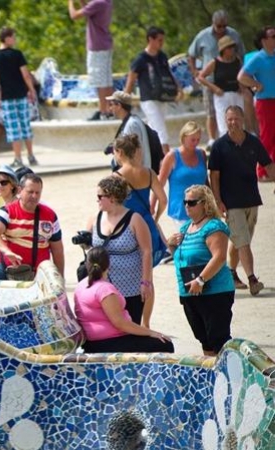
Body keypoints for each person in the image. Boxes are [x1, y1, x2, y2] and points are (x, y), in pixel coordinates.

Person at [208, 105, 275, 296]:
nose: (233, 122)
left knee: (239, 241)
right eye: (229, 119)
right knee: (243, 242)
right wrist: (218, 200)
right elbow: (214, 176)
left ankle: (230, 274)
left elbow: (268, 164)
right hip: (231, 203)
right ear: (225, 120)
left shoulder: (253, 142)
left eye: (236, 118)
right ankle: (253, 279)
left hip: (252, 200)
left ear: (243, 119)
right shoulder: (219, 146)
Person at [166, 185, 235, 356]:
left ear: (205, 204)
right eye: (185, 202)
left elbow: (219, 257)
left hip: (214, 292)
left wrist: (200, 280)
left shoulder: (214, 227)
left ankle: (226, 378)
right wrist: (171, 245)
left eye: (191, 202)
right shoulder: (185, 229)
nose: (187, 206)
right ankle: (212, 378)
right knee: (203, 338)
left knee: (218, 339)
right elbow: (180, 259)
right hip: (189, 293)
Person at [74, 247, 174, 353]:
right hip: (108, 342)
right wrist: (151, 332)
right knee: (165, 344)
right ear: (108, 265)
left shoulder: (81, 285)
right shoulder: (104, 289)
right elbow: (120, 323)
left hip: (93, 341)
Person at [86, 176, 153, 326]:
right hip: (102, 287)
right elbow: (89, 249)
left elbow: (147, 251)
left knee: (131, 326)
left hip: (130, 287)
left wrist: (145, 282)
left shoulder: (135, 219)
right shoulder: (94, 218)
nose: (97, 200)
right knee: (105, 327)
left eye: (100, 196)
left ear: (112, 197)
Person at [0, 172, 63, 279]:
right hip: (7, 269)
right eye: (30, 192)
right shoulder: (7, 211)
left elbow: (57, 250)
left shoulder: (50, 215)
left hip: (39, 273)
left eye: (38, 193)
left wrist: (61, 279)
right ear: (19, 190)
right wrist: (7, 251)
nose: (34, 196)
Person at [188, 10, 245, 144]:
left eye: (224, 26)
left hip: (231, 78)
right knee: (212, 112)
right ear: (213, 24)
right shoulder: (203, 36)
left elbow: (242, 55)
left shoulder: (233, 34)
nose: (222, 29)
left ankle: (238, 136)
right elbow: (191, 54)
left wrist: (241, 82)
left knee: (235, 110)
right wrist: (195, 71)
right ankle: (213, 139)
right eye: (219, 26)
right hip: (210, 79)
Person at [112, 134, 170, 267]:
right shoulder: (149, 173)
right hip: (146, 223)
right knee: (147, 272)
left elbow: (112, 206)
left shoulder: (116, 177)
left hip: (126, 227)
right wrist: (156, 218)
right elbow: (163, 200)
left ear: (120, 152)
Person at [124, 26, 182, 155]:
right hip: (148, 98)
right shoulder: (141, 59)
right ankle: (166, 158)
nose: (161, 43)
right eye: (159, 40)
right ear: (151, 39)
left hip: (162, 97)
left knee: (153, 127)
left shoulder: (162, 56)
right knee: (160, 128)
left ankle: (147, 154)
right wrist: (126, 96)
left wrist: (178, 87)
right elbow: (132, 76)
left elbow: (169, 73)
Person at [0, 27, 38, 168]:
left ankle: (18, 157)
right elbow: (26, 74)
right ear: (7, 38)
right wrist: (31, 89)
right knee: (25, 125)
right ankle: (30, 155)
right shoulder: (17, 54)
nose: (15, 40)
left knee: (13, 128)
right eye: (13, 37)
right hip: (21, 95)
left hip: (7, 97)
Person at [238, 25, 275, 180]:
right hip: (264, 101)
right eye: (272, 36)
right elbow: (241, 76)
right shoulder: (258, 58)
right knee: (266, 135)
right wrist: (256, 84)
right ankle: (261, 170)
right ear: (264, 40)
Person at [68, 0, 114, 121]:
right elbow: (89, 12)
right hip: (105, 45)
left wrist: (70, 2)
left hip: (97, 47)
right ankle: (109, 110)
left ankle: (103, 112)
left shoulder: (98, 3)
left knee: (100, 82)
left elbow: (74, 15)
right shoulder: (106, 2)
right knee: (106, 80)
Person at [158, 121, 208, 227]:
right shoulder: (172, 156)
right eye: (192, 140)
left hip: (202, 210)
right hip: (181, 210)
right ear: (183, 137)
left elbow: (206, 182)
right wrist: (152, 207)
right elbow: (159, 184)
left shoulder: (202, 154)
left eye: (198, 140)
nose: (196, 143)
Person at [197, 36, 245, 138]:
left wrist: (241, 86)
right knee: (223, 121)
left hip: (236, 93)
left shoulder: (237, 61)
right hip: (222, 95)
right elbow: (201, 77)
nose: (232, 50)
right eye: (229, 47)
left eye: (233, 47)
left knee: (239, 118)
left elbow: (240, 74)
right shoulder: (215, 62)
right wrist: (214, 88)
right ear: (223, 49)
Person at [105, 91, 153, 169]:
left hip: (135, 174)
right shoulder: (131, 121)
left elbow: (135, 153)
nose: (110, 108)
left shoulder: (132, 124)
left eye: (111, 104)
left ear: (119, 105)